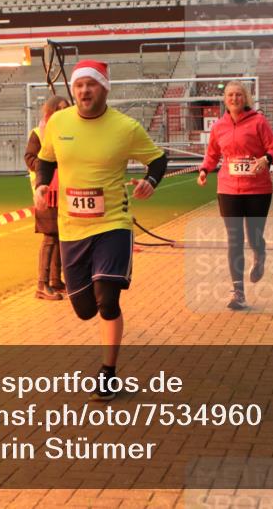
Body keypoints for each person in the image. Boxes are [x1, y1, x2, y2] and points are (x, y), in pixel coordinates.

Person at [33, 60, 167, 401]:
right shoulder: (58, 122)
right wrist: (41, 184)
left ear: (104, 88)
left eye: (91, 85)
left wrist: (151, 181)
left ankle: (108, 373)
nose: (84, 91)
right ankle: (96, 320)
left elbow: (158, 159)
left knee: (107, 299)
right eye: (79, 85)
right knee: (84, 310)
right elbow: (46, 158)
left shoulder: (125, 127)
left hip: (112, 224)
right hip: (72, 228)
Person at [197, 81, 273, 311]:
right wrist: (204, 170)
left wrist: (266, 159)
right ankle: (238, 293)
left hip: (257, 189)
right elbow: (212, 154)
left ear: (245, 98)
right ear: (225, 100)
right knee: (234, 240)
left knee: (254, 236)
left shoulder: (258, 121)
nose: (234, 98)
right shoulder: (219, 126)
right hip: (228, 189)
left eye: (238, 95)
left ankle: (259, 254)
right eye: (230, 95)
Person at [25, 96, 69, 300]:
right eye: (59, 109)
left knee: (59, 235)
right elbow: (30, 158)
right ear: (50, 111)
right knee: (50, 236)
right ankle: (42, 284)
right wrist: (51, 167)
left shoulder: (67, 132)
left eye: (66, 108)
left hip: (64, 190)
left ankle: (55, 280)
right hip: (46, 192)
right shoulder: (38, 133)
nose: (63, 112)